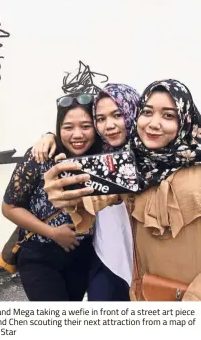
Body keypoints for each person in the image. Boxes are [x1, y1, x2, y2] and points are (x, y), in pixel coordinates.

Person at [44, 79, 201, 301]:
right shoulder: (131, 165)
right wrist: (66, 196)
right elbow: (95, 197)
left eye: (168, 115)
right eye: (147, 112)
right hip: (143, 286)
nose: (153, 123)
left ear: (185, 119)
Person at [31, 84, 140, 301]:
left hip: (147, 257)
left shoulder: (155, 155)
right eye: (100, 119)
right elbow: (74, 134)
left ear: (132, 111)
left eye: (117, 115)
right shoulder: (97, 153)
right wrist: (50, 135)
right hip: (106, 256)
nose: (108, 125)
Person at [1, 94, 98, 301]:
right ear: (58, 127)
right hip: (39, 254)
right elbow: (9, 207)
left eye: (86, 126)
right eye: (68, 127)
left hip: (82, 256)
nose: (77, 134)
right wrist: (53, 233)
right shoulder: (40, 156)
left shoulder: (101, 159)